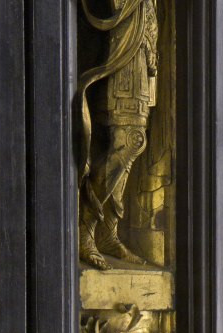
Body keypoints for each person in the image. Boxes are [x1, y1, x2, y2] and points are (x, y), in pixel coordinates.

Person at [78, 0, 159, 269]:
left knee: (133, 142)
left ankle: (107, 232)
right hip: (121, 59)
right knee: (129, 141)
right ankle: (86, 228)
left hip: (139, 62)